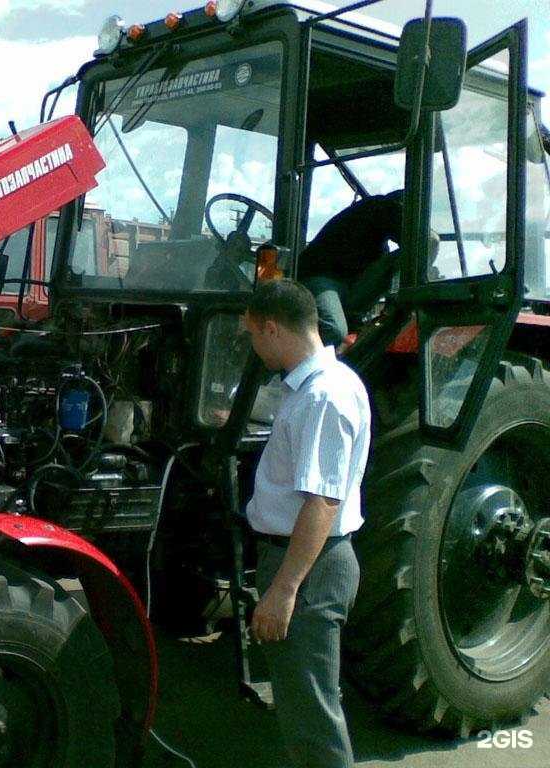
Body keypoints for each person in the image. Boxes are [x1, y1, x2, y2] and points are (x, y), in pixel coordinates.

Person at [243, 280, 371, 768]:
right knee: (301, 704)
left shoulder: (324, 396)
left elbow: (323, 501)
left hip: (309, 567)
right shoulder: (315, 387)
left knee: (313, 712)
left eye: (254, 334)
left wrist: (284, 589)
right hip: (302, 559)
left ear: (273, 329)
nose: (254, 345)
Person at [299, 190, 404, 346]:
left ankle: (352, 322)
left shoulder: (379, 242)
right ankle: (303, 368)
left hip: (349, 284)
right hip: (322, 276)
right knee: (333, 329)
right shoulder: (380, 207)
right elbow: (415, 241)